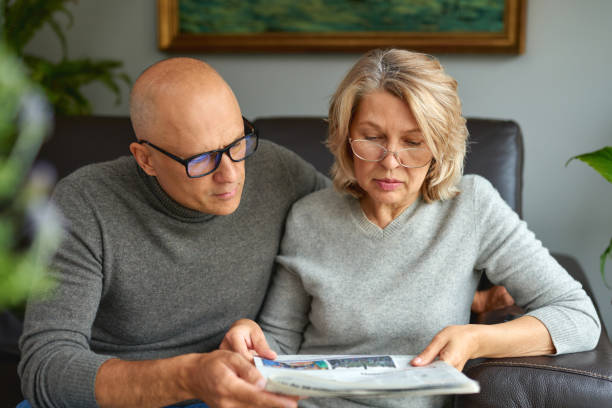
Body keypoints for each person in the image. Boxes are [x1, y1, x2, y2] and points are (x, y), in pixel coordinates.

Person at [221, 49, 601, 408]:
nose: (390, 162)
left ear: (439, 146)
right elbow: (279, 345)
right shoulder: (308, 217)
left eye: (413, 142)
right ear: (346, 136)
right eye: (371, 138)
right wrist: (249, 341)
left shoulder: (471, 206)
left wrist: (475, 339)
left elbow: (578, 317)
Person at [18, 57, 329, 408]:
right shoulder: (85, 202)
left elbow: (374, 218)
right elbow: (45, 366)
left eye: (236, 144)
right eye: (201, 159)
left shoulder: (275, 170)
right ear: (145, 159)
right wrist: (189, 376)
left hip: (229, 395)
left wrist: (406, 337)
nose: (230, 174)